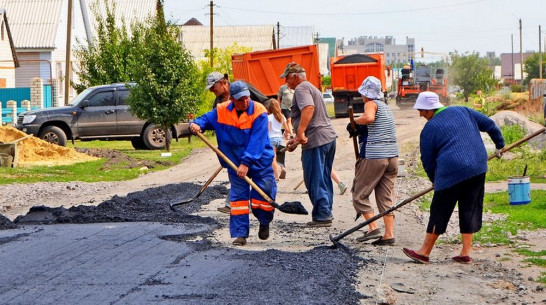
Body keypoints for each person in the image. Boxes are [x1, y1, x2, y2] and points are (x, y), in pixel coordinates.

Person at [402, 91, 505, 264]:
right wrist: (499, 145)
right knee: (469, 208)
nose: (420, 114)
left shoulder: (429, 129)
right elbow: (490, 125)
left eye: (422, 111)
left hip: (451, 171)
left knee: (439, 210)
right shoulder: (463, 110)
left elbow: (427, 160)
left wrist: (435, 180)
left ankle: (424, 252)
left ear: (431, 109)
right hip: (478, 167)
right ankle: (465, 253)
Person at [190, 81, 277, 246]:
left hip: (259, 160)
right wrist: (195, 125)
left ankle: (264, 221)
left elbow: (256, 141)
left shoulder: (259, 111)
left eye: (246, 98)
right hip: (235, 163)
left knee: (263, 196)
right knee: (238, 199)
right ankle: (240, 234)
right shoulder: (221, 111)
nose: (244, 102)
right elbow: (203, 120)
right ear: (231, 99)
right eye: (240, 99)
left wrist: (246, 162)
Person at [205, 72, 269, 214]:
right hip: (233, 149)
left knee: (258, 179)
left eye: (213, 87)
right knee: (238, 178)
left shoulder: (244, 89)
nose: (211, 91)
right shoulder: (218, 103)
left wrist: (263, 123)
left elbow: (266, 102)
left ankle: (259, 207)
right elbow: (214, 120)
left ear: (222, 83)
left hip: (253, 140)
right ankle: (233, 204)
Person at [283, 62, 337, 227]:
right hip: (327, 137)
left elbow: (308, 108)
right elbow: (313, 119)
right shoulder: (312, 87)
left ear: (295, 76)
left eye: (287, 78)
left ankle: (322, 215)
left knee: (314, 178)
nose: (286, 82)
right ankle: (326, 211)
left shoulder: (301, 89)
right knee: (324, 176)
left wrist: (300, 133)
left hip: (316, 140)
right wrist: (296, 140)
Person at [351, 76, 399, 246]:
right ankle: (389, 234)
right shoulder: (386, 107)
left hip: (375, 156)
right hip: (392, 156)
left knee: (359, 194)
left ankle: (373, 227)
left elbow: (369, 118)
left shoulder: (370, 103)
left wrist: (354, 122)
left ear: (366, 94)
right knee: (385, 196)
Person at [266, 98, 291, 181]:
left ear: (269, 108)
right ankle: (282, 167)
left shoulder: (268, 117)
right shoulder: (282, 116)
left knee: (273, 158)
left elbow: (268, 129)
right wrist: (286, 134)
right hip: (279, 138)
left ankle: (276, 176)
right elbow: (287, 129)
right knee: (280, 155)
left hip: (271, 138)